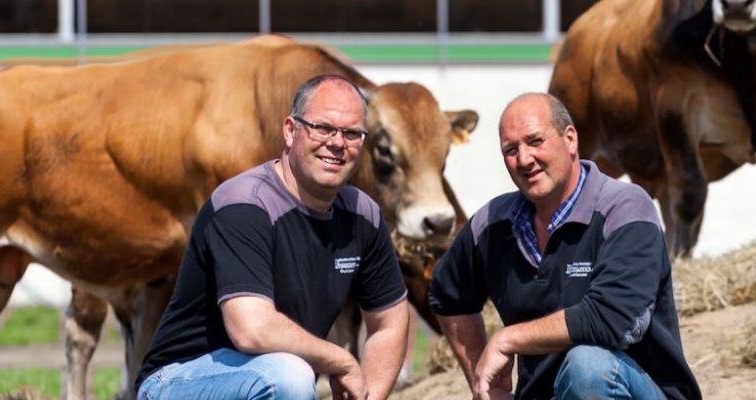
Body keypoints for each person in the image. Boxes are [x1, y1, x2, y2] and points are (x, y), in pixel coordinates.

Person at [136, 75, 412, 400]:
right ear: (290, 131)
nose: (337, 143)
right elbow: (252, 330)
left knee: (290, 373)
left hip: (267, 376)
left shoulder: (363, 215)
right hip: (178, 381)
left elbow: (390, 322)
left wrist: (369, 394)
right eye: (323, 128)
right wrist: (341, 360)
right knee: (289, 377)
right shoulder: (246, 204)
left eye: (352, 133)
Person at [429, 93, 701, 400]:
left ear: (570, 139)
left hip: (638, 390)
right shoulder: (492, 224)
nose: (524, 159)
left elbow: (613, 318)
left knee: (587, 367)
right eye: (511, 150)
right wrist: (487, 384)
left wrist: (507, 340)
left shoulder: (625, 208)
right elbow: (446, 294)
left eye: (535, 141)